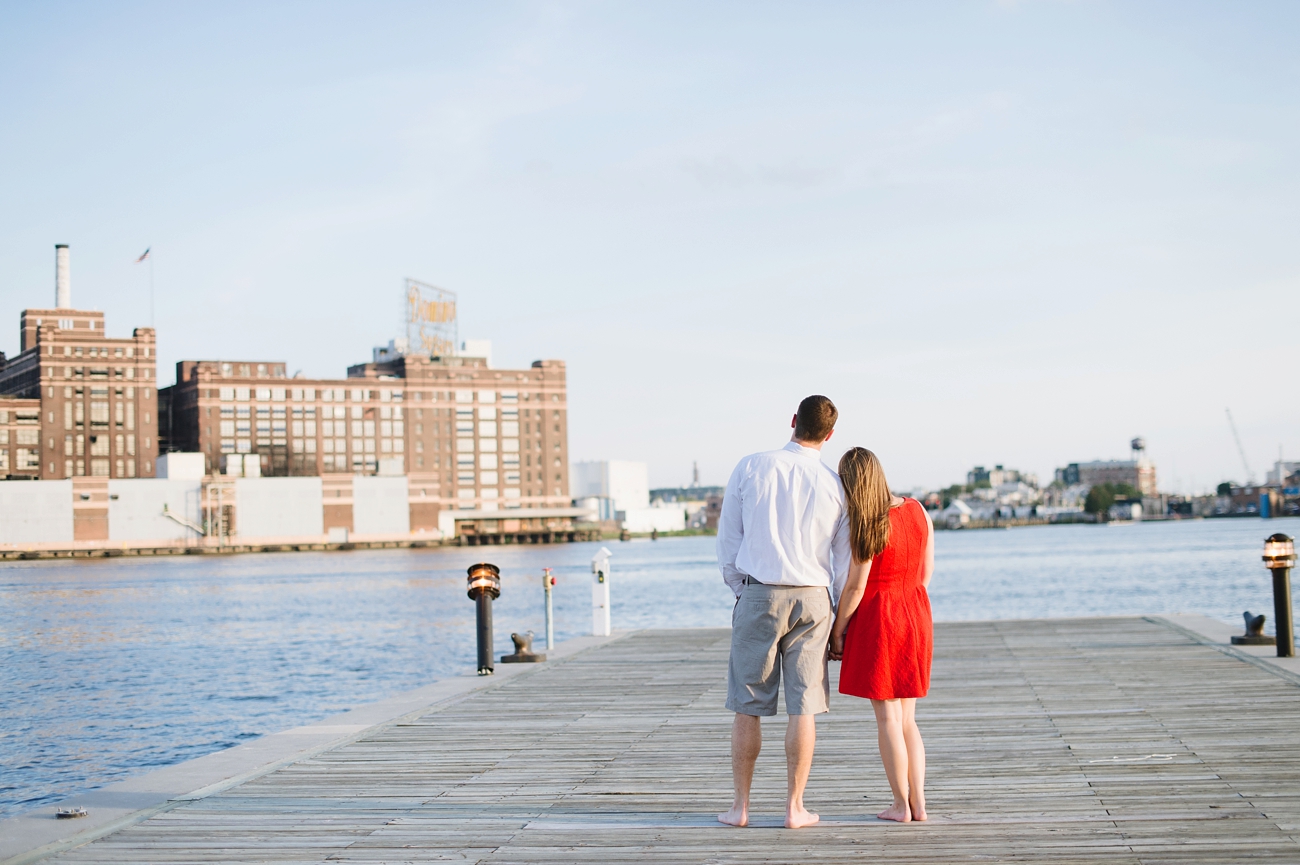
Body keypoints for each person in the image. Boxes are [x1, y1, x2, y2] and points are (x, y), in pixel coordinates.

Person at [716, 395, 851, 829]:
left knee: (748, 705)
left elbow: (728, 541)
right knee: (804, 706)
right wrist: (839, 621)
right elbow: (844, 562)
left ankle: (740, 808)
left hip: (760, 593)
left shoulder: (751, 465)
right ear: (829, 435)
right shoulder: (835, 485)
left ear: (793, 421)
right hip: (814, 598)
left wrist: (742, 590)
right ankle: (795, 808)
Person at [828, 447, 934, 823]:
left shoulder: (868, 522)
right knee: (908, 720)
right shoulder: (918, 510)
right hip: (916, 612)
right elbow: (926, 572)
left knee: (888, 719)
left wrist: (837, 631)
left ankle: (900, 806)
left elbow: (855, 588)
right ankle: (919, 804)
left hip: (880, 617)